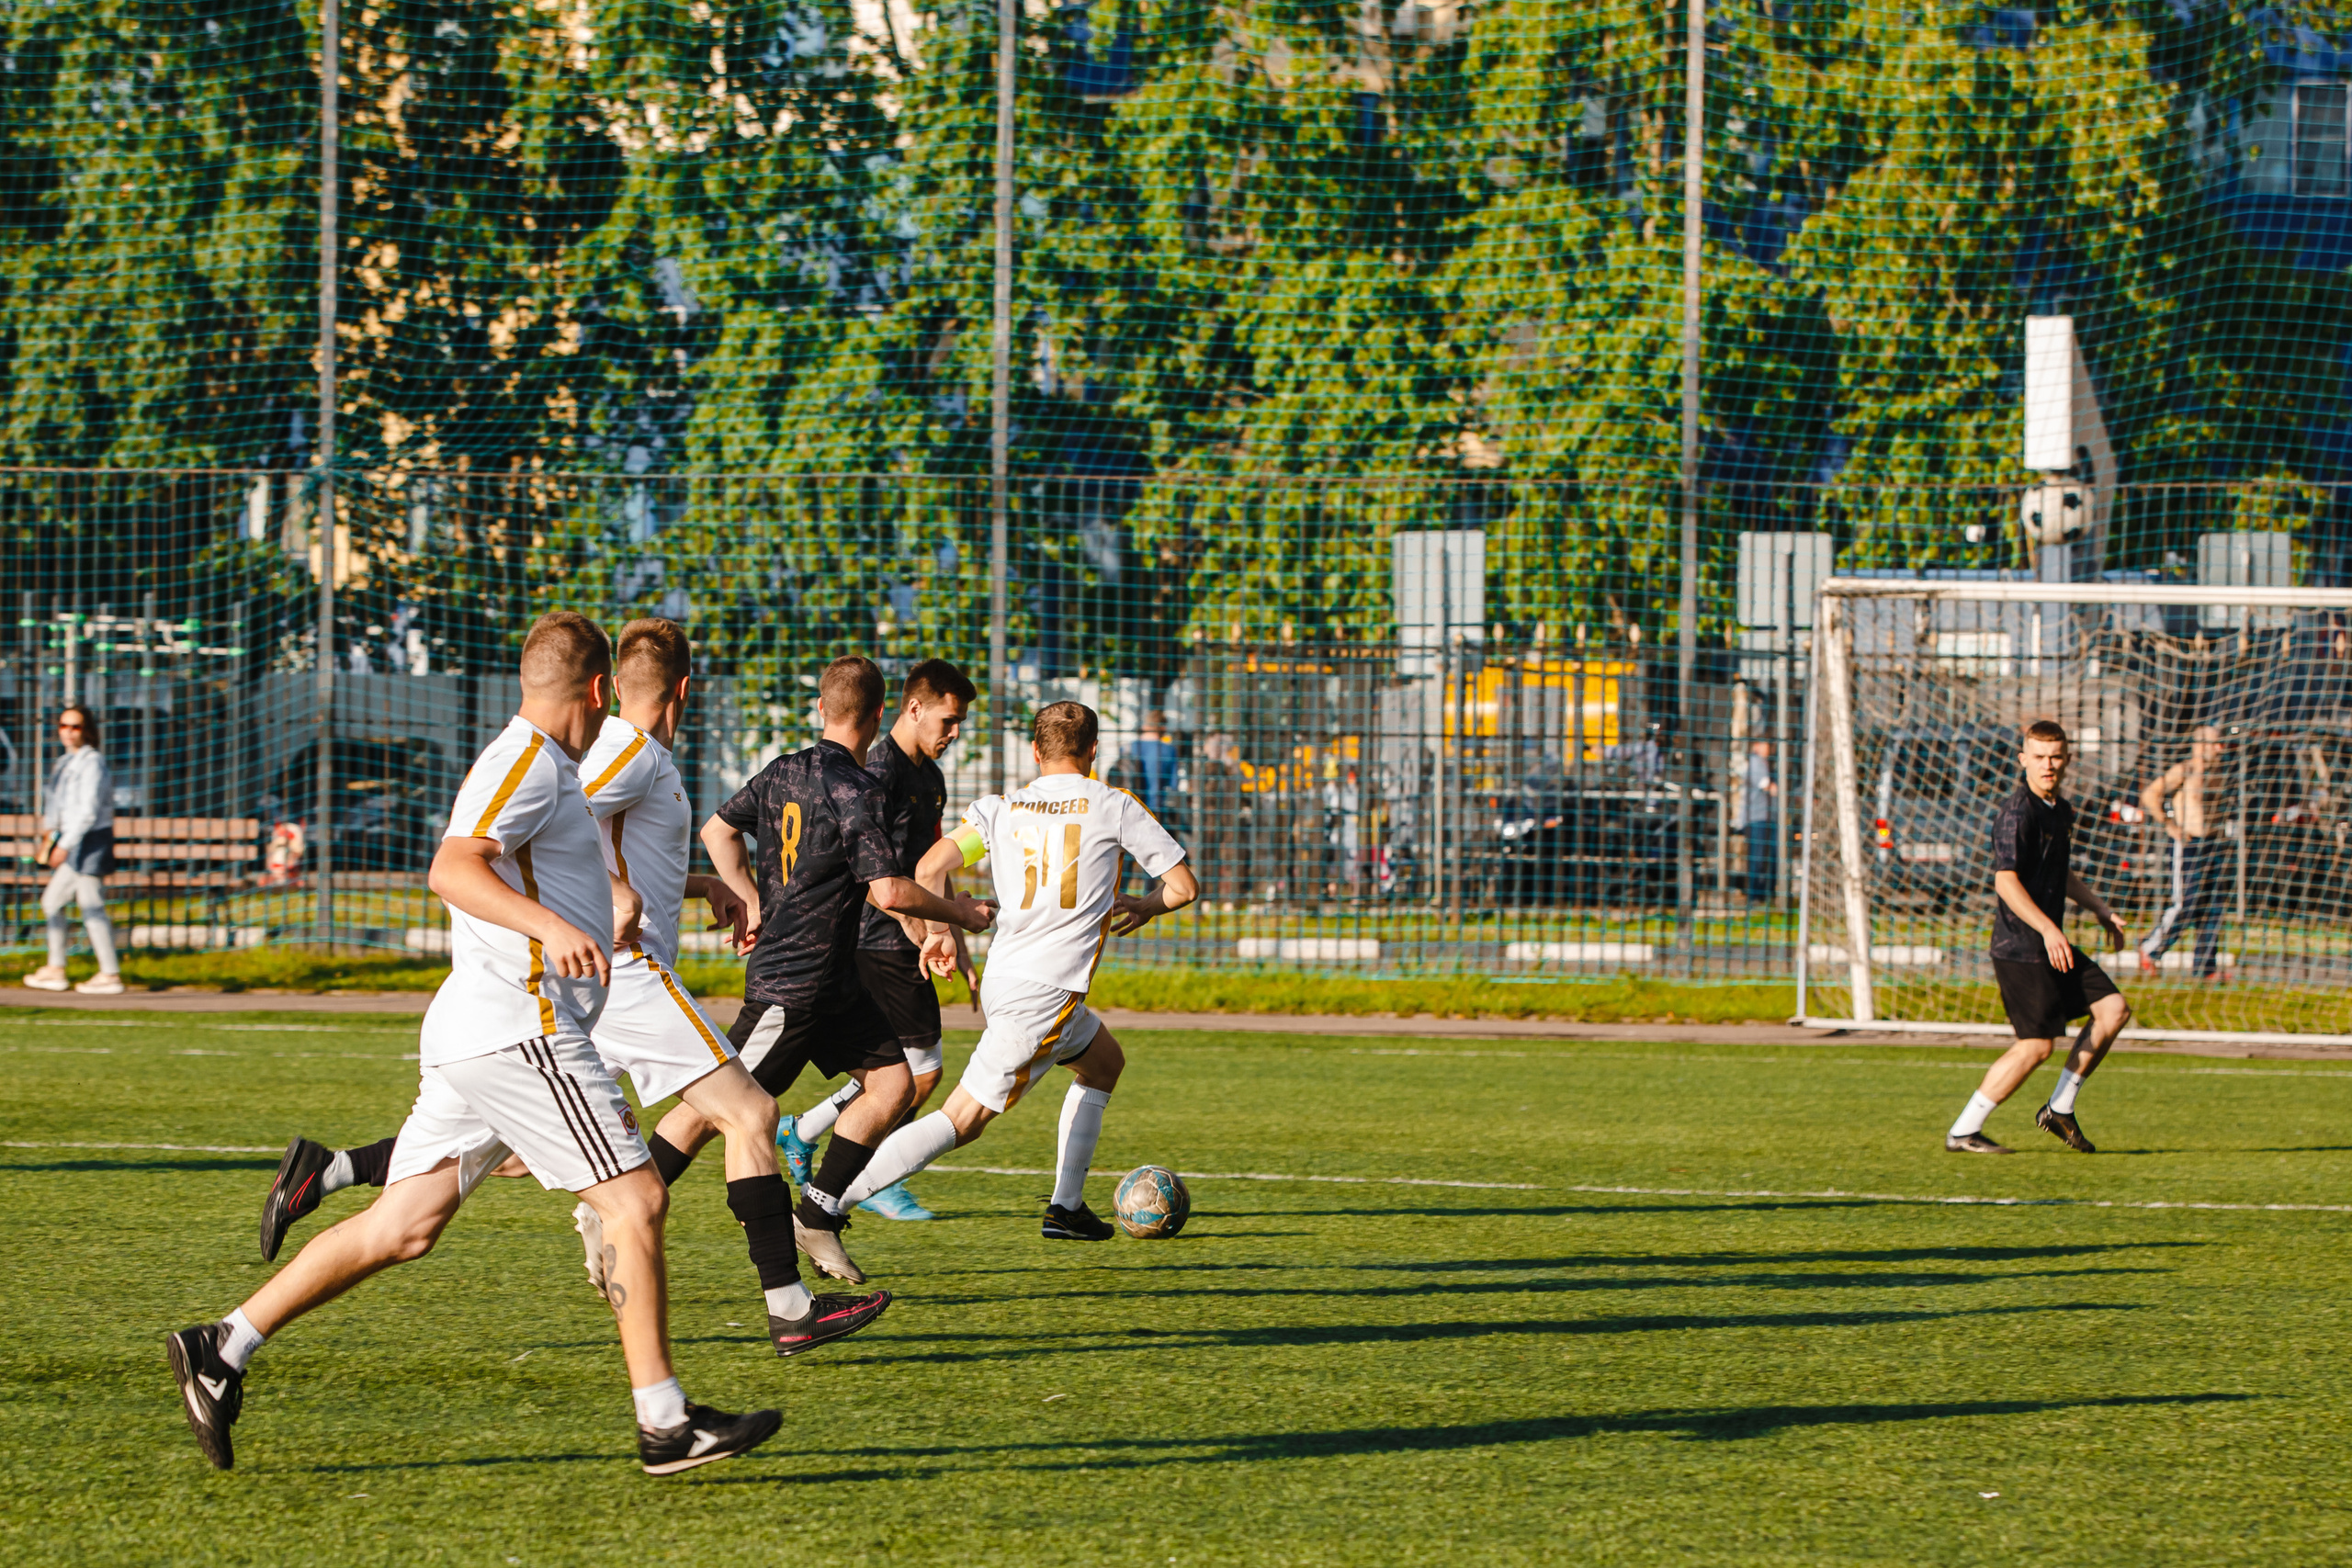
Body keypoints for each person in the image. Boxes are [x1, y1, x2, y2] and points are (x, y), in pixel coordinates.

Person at [167, 613, 781, 1475]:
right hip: (520, 1027)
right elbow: (454, 866)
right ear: (600, 691)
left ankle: (222, 1344)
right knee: (636, 1201)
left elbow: (542, 866)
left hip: (484, 1030)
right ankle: (666, 1422)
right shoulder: (529, 758)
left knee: (404, 1225)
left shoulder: (548, 765)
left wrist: (660, 888)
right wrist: (551, 930)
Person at [257, 618, 889, 1359]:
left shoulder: (631, 752)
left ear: (619, 683)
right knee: (749, 1112)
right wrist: (609, 899)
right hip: (622, 975)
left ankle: (329, 1170)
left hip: (591, 985)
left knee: (513, 1152)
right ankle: (786, 1309)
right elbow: (556, 819)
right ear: (677, 689)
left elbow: (581, 838)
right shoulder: (629, 749)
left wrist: (698, 884)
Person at [649, 655, 994, 1284]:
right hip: (793, 983)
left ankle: (820, 1212)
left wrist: (746, 894)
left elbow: (718, 829)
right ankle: (620, 1202)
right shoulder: (857, 786)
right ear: (882, 713)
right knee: (712, 1108)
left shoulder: (786, 769)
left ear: (821, 709)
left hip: (835, 982)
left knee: (893, 1083)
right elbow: (888, 890)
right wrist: (958, 914)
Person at [832, 701, 1198, 1240]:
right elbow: (1184, 887)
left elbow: (930, 867)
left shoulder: (1001, 809)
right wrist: (1145, 907)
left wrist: (938, 935)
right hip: (1047, 992)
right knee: (962, 1120)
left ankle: (1066, 1209)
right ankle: (828, 1203)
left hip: (1010, 977)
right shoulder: (1113, 805)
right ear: (1093, 751)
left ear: (1035, 752)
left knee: (1104, 1064)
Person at [779, 658, 979, 1223]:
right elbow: (876, 881)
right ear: (913, 708)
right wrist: (923, 934)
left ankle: (804, 1130)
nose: (955, 732)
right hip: (879, 938)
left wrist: (954, 941)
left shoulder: (931, 781)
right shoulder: (877, 772)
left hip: (909, 937)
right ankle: (873, 1178)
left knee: (894, 1069)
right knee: (922, 1072)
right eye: (948, 720)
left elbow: (932, 868)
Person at [1945, 718, 2133, 1156]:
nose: (2048, 765)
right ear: (2023, 760)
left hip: (2053, 945)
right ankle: (1963, 1130)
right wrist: (2049, 928)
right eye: (2039, 757)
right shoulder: (2018, 813)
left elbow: (2058, 873)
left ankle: (2059, 1108)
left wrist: (2101, 911)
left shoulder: (2060, 810)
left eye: (2055, 757)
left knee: (2113, 1010)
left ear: (2066, 760)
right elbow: (2005, 882)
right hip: (2021, 949)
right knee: (2036, 1046)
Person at [22, 705, 123, 996]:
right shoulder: (66, 762)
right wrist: (51, 834)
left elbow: (88, 811)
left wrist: (64, 845)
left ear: (87, 730)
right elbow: (58, 806)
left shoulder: (92, 762)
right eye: (64, 725)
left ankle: (109, 973)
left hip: (89, 841)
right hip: (72, 840)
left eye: (75, 726)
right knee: (52, 901)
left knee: (92, 906)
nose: (68, 731)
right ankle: (56, 968)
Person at [2136, 725, 2226, 980]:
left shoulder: (2219, 772)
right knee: (2187, 902)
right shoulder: (2184, 770)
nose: (2220, 749)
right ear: (2200, 745)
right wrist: (2170, 825)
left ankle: (2205, 968)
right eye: (2214, 743)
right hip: (2189, 844)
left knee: (2213, 907)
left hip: (2213, 844)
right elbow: (2150, 795)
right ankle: (2150, 948)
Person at [1739, 739, 1777, 904]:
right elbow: (1768, 786)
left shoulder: (1768, 763)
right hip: (1756, 818)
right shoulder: (1755, 763)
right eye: (1765, 744)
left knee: (1770, 857)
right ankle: (1755, 896)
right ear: (1756, 745)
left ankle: (1766, 894)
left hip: (1769, 817)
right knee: (1757, 858)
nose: (1768, 747)